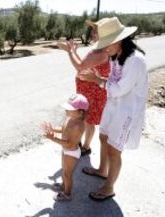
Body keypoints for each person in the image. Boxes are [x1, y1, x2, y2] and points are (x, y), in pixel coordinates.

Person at [78, 17, 148, 201]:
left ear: (118, 40)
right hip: (114, 106)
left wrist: (97, 80)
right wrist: (100, 79)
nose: (104, 48)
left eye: (107, 43)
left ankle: (109, 187)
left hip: (126, 111)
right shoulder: (117, 56)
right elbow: (113, 84)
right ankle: (102, 170)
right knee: (103, 137)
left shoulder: (135, 61)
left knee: (114, 150)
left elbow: (118, 89)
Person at [58, 20, 110, 157]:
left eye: (96, 31)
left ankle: (86, 147)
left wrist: (69, 52)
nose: (92, 34)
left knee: (89, 120)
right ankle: (81, 142)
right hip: (87, 91)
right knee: (85, 119)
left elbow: (80, 67)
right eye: (93, 31)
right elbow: (83, 64)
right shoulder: (98, 50)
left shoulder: (101, 53)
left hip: (93, 93)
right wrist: (74, 51)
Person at [41, 94, 89, 201]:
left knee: (68, 174)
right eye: (67, 107)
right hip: (66, 150)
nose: (66, 110)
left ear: (80, 112)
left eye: (70, 109)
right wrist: (52, 129)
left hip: (71, 152)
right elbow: (63, 129)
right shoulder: (70, 117)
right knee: (65, 170)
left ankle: (67, 194)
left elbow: (70, 144)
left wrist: (52, 138)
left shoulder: (78, 126)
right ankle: (63, 186)